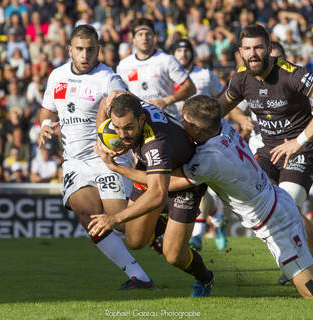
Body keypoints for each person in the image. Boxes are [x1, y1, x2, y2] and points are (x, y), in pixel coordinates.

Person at [98, 94, 313, 299]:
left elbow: (166, 185)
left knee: (307, 289)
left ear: (197, 129)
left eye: (186, 121)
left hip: (275, 221)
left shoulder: (209, 159)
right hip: (275, 200)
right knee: (137, 240)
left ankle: (170, 227)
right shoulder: (223, 129)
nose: (181, 123)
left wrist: (117, 169)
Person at [39, 24, 152, 290]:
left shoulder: (107, 78)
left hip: (106, 159)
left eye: (90, 49)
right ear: (70, 50)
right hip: (75, 162)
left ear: (98, 49)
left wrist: (118, 100)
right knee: (89, 217)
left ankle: (160, 218)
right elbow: (46, 112)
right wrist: (43, 126)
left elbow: (126, 104)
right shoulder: (57, 76)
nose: (85, 55)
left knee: (122, 223)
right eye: (79, 49)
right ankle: (138, 276)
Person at [89, 93, 214, 297]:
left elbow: (157, 193)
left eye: (128, 127)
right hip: (153, 170)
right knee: (135, 242)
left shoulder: (156, 143)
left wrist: (114, 216)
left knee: (173, 256)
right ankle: (164, 217)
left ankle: (205, 278)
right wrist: (103, 140)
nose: (122, 135)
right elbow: (105, 101)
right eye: (117, 127)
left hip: (184, 179)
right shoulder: (129, 108)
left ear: (142, 119)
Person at [218, 24, 313, 285]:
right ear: (239, 51)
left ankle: (302, 264)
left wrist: (299, 141)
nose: (253, 54)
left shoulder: (291, 75)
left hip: (301, 151)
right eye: (247, 49)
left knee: (287, 205)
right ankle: (301, 258)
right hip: (266, 152)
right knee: (269, 210)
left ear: (270, 49)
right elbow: (217, 109)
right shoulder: (240, 79)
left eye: (258, 47)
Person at [171, 38, 227, 251]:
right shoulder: (170, 76)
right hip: (183, 135)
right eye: (178, 50)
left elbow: (222, 98)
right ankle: (203, 229)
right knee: (198, 184)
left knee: (212, 186)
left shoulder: (205, 75)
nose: (182, 54)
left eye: (186, 50)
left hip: (209, 135)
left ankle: (216, 220)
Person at [116, 17, 196, 119]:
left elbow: (190, 88)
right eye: (140, 34)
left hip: (167, 119)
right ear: (133, 39)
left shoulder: (167, 60)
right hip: (139, 122)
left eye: (148, 34)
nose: (144, 38)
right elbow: (120, 94)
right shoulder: (124, 65)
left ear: (154, 37)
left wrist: (166, 101)